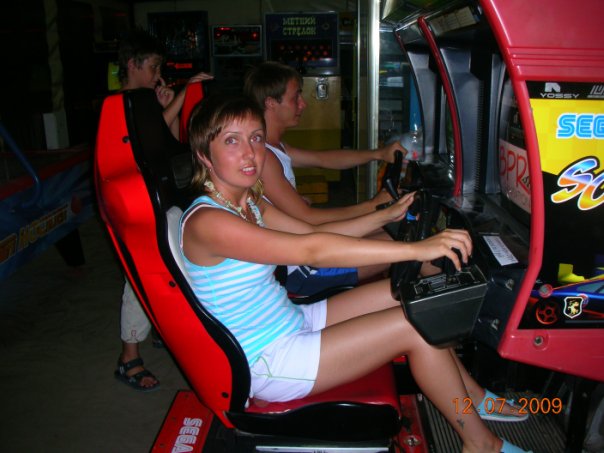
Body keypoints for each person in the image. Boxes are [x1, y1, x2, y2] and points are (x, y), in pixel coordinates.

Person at [179, 94, 530, 453]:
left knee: (411, 296)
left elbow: (310, 232)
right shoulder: (208, 222)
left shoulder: (248, 202)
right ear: (204, 154)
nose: (250, 152)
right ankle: (481, 444)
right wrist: (416, 249)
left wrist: (385, 215)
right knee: (414, 326)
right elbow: (312, 252)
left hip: (291, 320)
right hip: (268, 361)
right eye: (232, 141)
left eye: (255, 137)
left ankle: (471, 397)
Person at [243, 61, 408, 295]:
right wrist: (373, 206)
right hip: (300, 267)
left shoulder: (276, 147)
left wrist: (379, 154)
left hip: (303, 242)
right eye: (295, 97)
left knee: (399, 231)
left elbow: (324, 159)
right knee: (405, 241)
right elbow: (308, 218)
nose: (303, 104)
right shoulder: (265, 157)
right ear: (271, 103)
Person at [113, 28, 213, 391]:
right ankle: (128, 357)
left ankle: (159, 325)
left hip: (157, 197)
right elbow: (139, 147)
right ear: (132, 64)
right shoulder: (119, 105)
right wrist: (181, 95)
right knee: (140, 275)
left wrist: (168, 107)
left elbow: (164, 145)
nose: (157, 74)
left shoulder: (143, 101)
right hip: (135, 205)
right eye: (153, 66)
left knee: (170, 267)